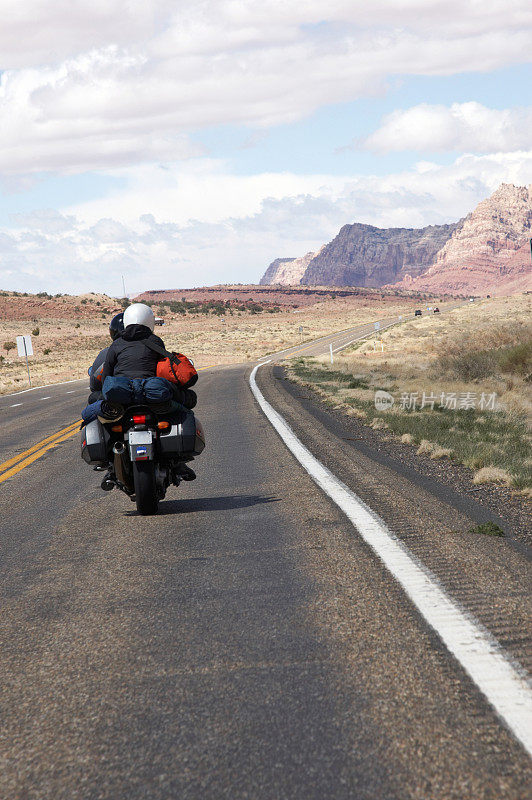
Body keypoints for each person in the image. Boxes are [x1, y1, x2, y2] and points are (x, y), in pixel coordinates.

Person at [87, 312, 124, 403]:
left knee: (92, 401)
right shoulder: (153, 347)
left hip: (116, 399)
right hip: (147, 396)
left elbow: (94, 385)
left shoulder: (106, 353)